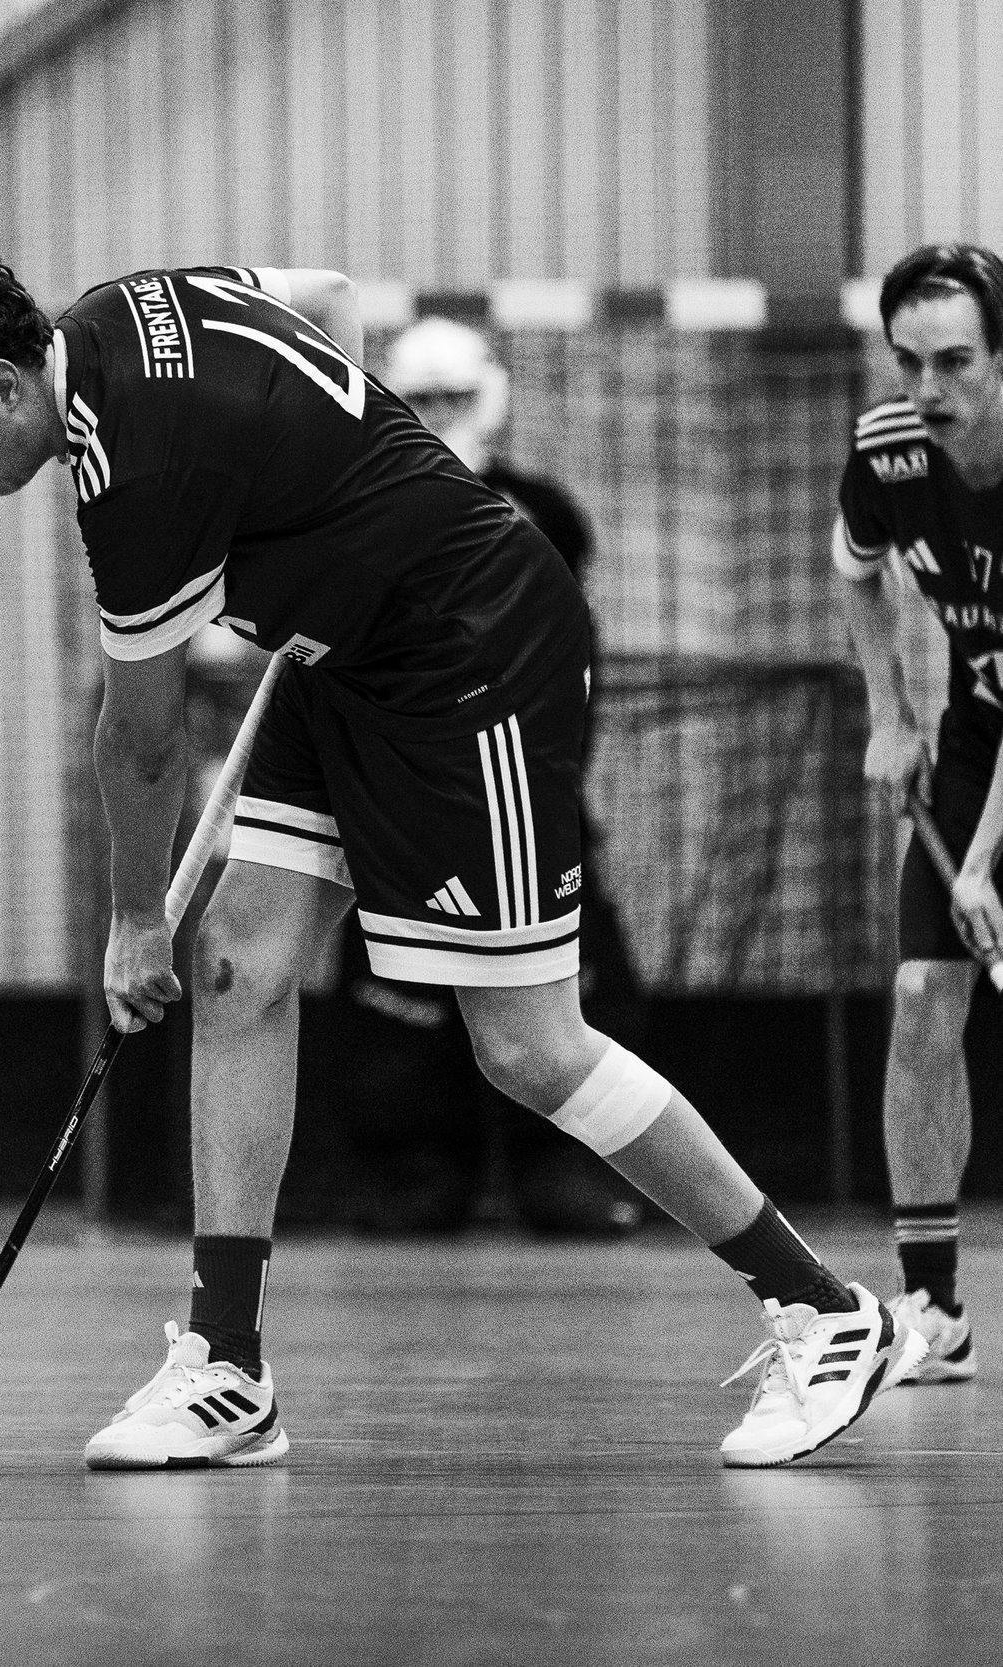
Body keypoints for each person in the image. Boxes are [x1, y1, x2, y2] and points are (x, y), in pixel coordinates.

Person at [0, 254, 920, 1469]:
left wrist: (134, 921)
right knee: (240, 964)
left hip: (468, 648)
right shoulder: (123, 305)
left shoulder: (135, 474)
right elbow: (333, 296)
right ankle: (228, 1367)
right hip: (339, 650)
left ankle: (822, 1307)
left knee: (525, 1045)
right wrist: (338, 522)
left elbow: (136, 740)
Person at [322, 317, 646, 1238]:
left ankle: (565, 1162)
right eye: (418, 400)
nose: (437, 417)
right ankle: (416, 1170)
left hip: (532, 797)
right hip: (396, 810)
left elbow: (566, 659)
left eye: (454, 398)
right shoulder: (353, 516)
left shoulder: (543, 512)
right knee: (397, 1009)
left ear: (490, 398)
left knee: (564, 996)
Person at [834, 242, 1003, 1388]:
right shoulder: (891, 451)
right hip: (982, 713)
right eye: (908, 362)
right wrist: (890, 713)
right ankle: (932, 1306)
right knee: (918, 991)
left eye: (953, 361)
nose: (928, 389)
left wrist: (983, 859)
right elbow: (852, 567)